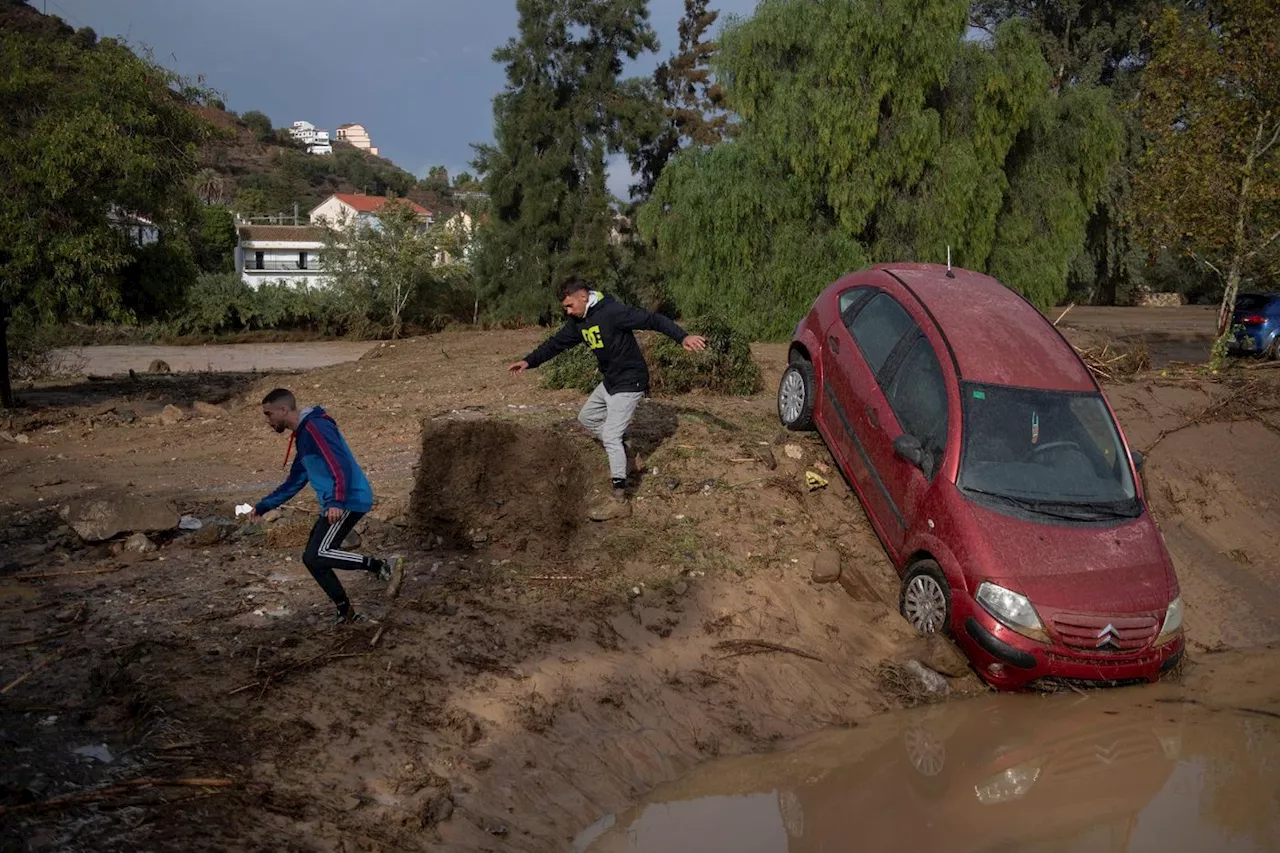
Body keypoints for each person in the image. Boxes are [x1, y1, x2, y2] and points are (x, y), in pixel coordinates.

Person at [508, 279, 707, 520]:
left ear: (583, 296)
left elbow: (653, 320)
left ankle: (619, 500)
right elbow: (555, 344)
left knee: (611, 435)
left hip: (631, 380)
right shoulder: (578, 322)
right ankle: (628, 458)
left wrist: (682, 337)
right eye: (565, 309)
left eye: (570, 306)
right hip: (611, 380)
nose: (568, 312)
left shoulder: (613, 312)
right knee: (587, 417)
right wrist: (529, 361)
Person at [248, 388, 402, 625]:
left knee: (318, 553)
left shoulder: (316, 427)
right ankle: (345, 611)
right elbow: (296, 480)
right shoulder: (303, 435)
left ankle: (381, 566)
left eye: (268, 414)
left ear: (283, 409)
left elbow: (340, 464)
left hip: (348, 500)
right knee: (313, 559)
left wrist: (336, 501)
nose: (267, 420)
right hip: (336, 502)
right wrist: (264, 505)